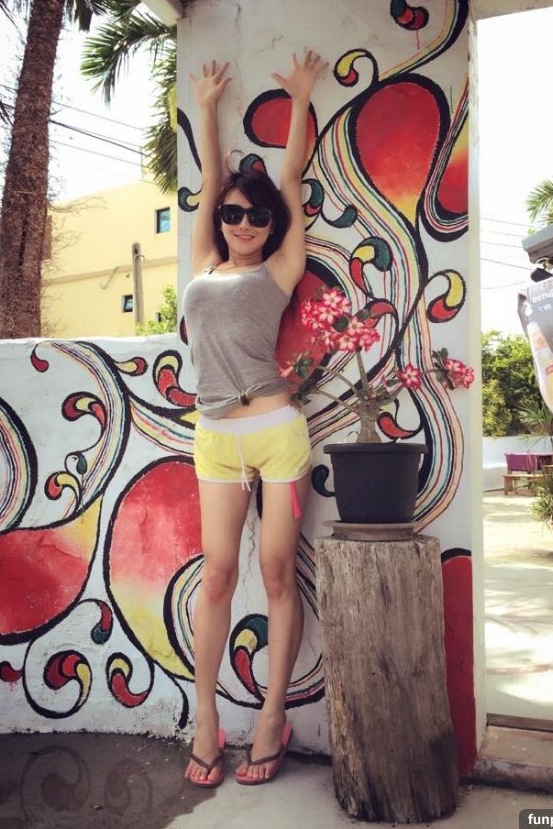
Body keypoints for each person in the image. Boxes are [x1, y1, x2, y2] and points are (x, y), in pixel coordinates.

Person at [182, 50, 327, 787]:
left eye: (256, 215)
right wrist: (207, 107)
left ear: (271, 226)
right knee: (216, 576)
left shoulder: (279, 270)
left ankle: (273, 717)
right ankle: (206, 719)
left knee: (275, 572)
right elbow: (209, 180)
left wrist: (300, 99)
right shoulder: (205, 265)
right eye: (233, 213)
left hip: (275, 434)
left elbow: (292, 180)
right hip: (214, 437)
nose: (242, 221)